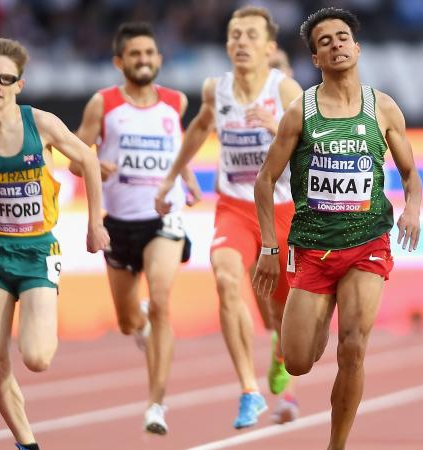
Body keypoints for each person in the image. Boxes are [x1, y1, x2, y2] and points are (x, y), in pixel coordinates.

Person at [253, 7, 422, 450]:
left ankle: (336, 445)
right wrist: (270, 247)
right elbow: (265, 182)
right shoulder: (300, 112)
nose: (336, 45)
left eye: (343, 37)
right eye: (325, 41)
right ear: (315, 58)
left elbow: (409, 173)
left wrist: (412, 209)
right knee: (297, 362)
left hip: (368, 244)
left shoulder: (382, 107)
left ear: (357, 46)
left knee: (353, 349)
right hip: (312, 248)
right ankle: (320, 314)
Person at [0, 37, 110, 450]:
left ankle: (40, 312)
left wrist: (95, 224)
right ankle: (26, 442)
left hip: (36, 253)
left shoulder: (41, 124)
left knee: (36, 358)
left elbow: (86, 160)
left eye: (5, 79)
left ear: (19, 85)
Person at [156, 6, 302, 428]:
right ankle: (249, 390)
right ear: (226, 43)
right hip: (235, 207)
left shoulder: (286, 88)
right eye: (234, 34)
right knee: (225, 277)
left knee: (281, 312)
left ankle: (280, 351)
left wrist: (278, 126)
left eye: (251, 35)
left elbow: (312, 144)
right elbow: (199, 129)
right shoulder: (214, 90)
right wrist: (170, 180)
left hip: (281, 211)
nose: (240, 41)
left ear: (269, 46)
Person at [70, 22, 201, 435]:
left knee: (162, 300)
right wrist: (94, 163)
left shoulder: (176, 103)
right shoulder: (102, 104)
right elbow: (76, 155)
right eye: (135, 55)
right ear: (119, 61)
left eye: (150, 53)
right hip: (119, 225)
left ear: (160, 59)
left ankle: (156, 404)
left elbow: (176, 148)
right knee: (128, 322)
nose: (143, 60)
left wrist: (188, 178)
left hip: (164, 218)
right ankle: (139, 322)